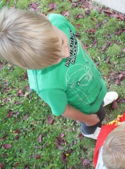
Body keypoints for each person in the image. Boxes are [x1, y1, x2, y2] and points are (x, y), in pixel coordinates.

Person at [0, 8, 118, 139]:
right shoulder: (46, 85)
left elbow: (75, 39)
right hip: (86, 107)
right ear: (32, 66)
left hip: (94, 83)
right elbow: (64, 109)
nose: (66, 54)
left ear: (46, 21)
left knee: (99, 101)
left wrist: (83, 53)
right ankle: (89, 131)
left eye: (62, 41)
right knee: (97, 116)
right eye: (55, 59)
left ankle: (100, 100)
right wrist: (88, 119)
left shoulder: (57, 21)